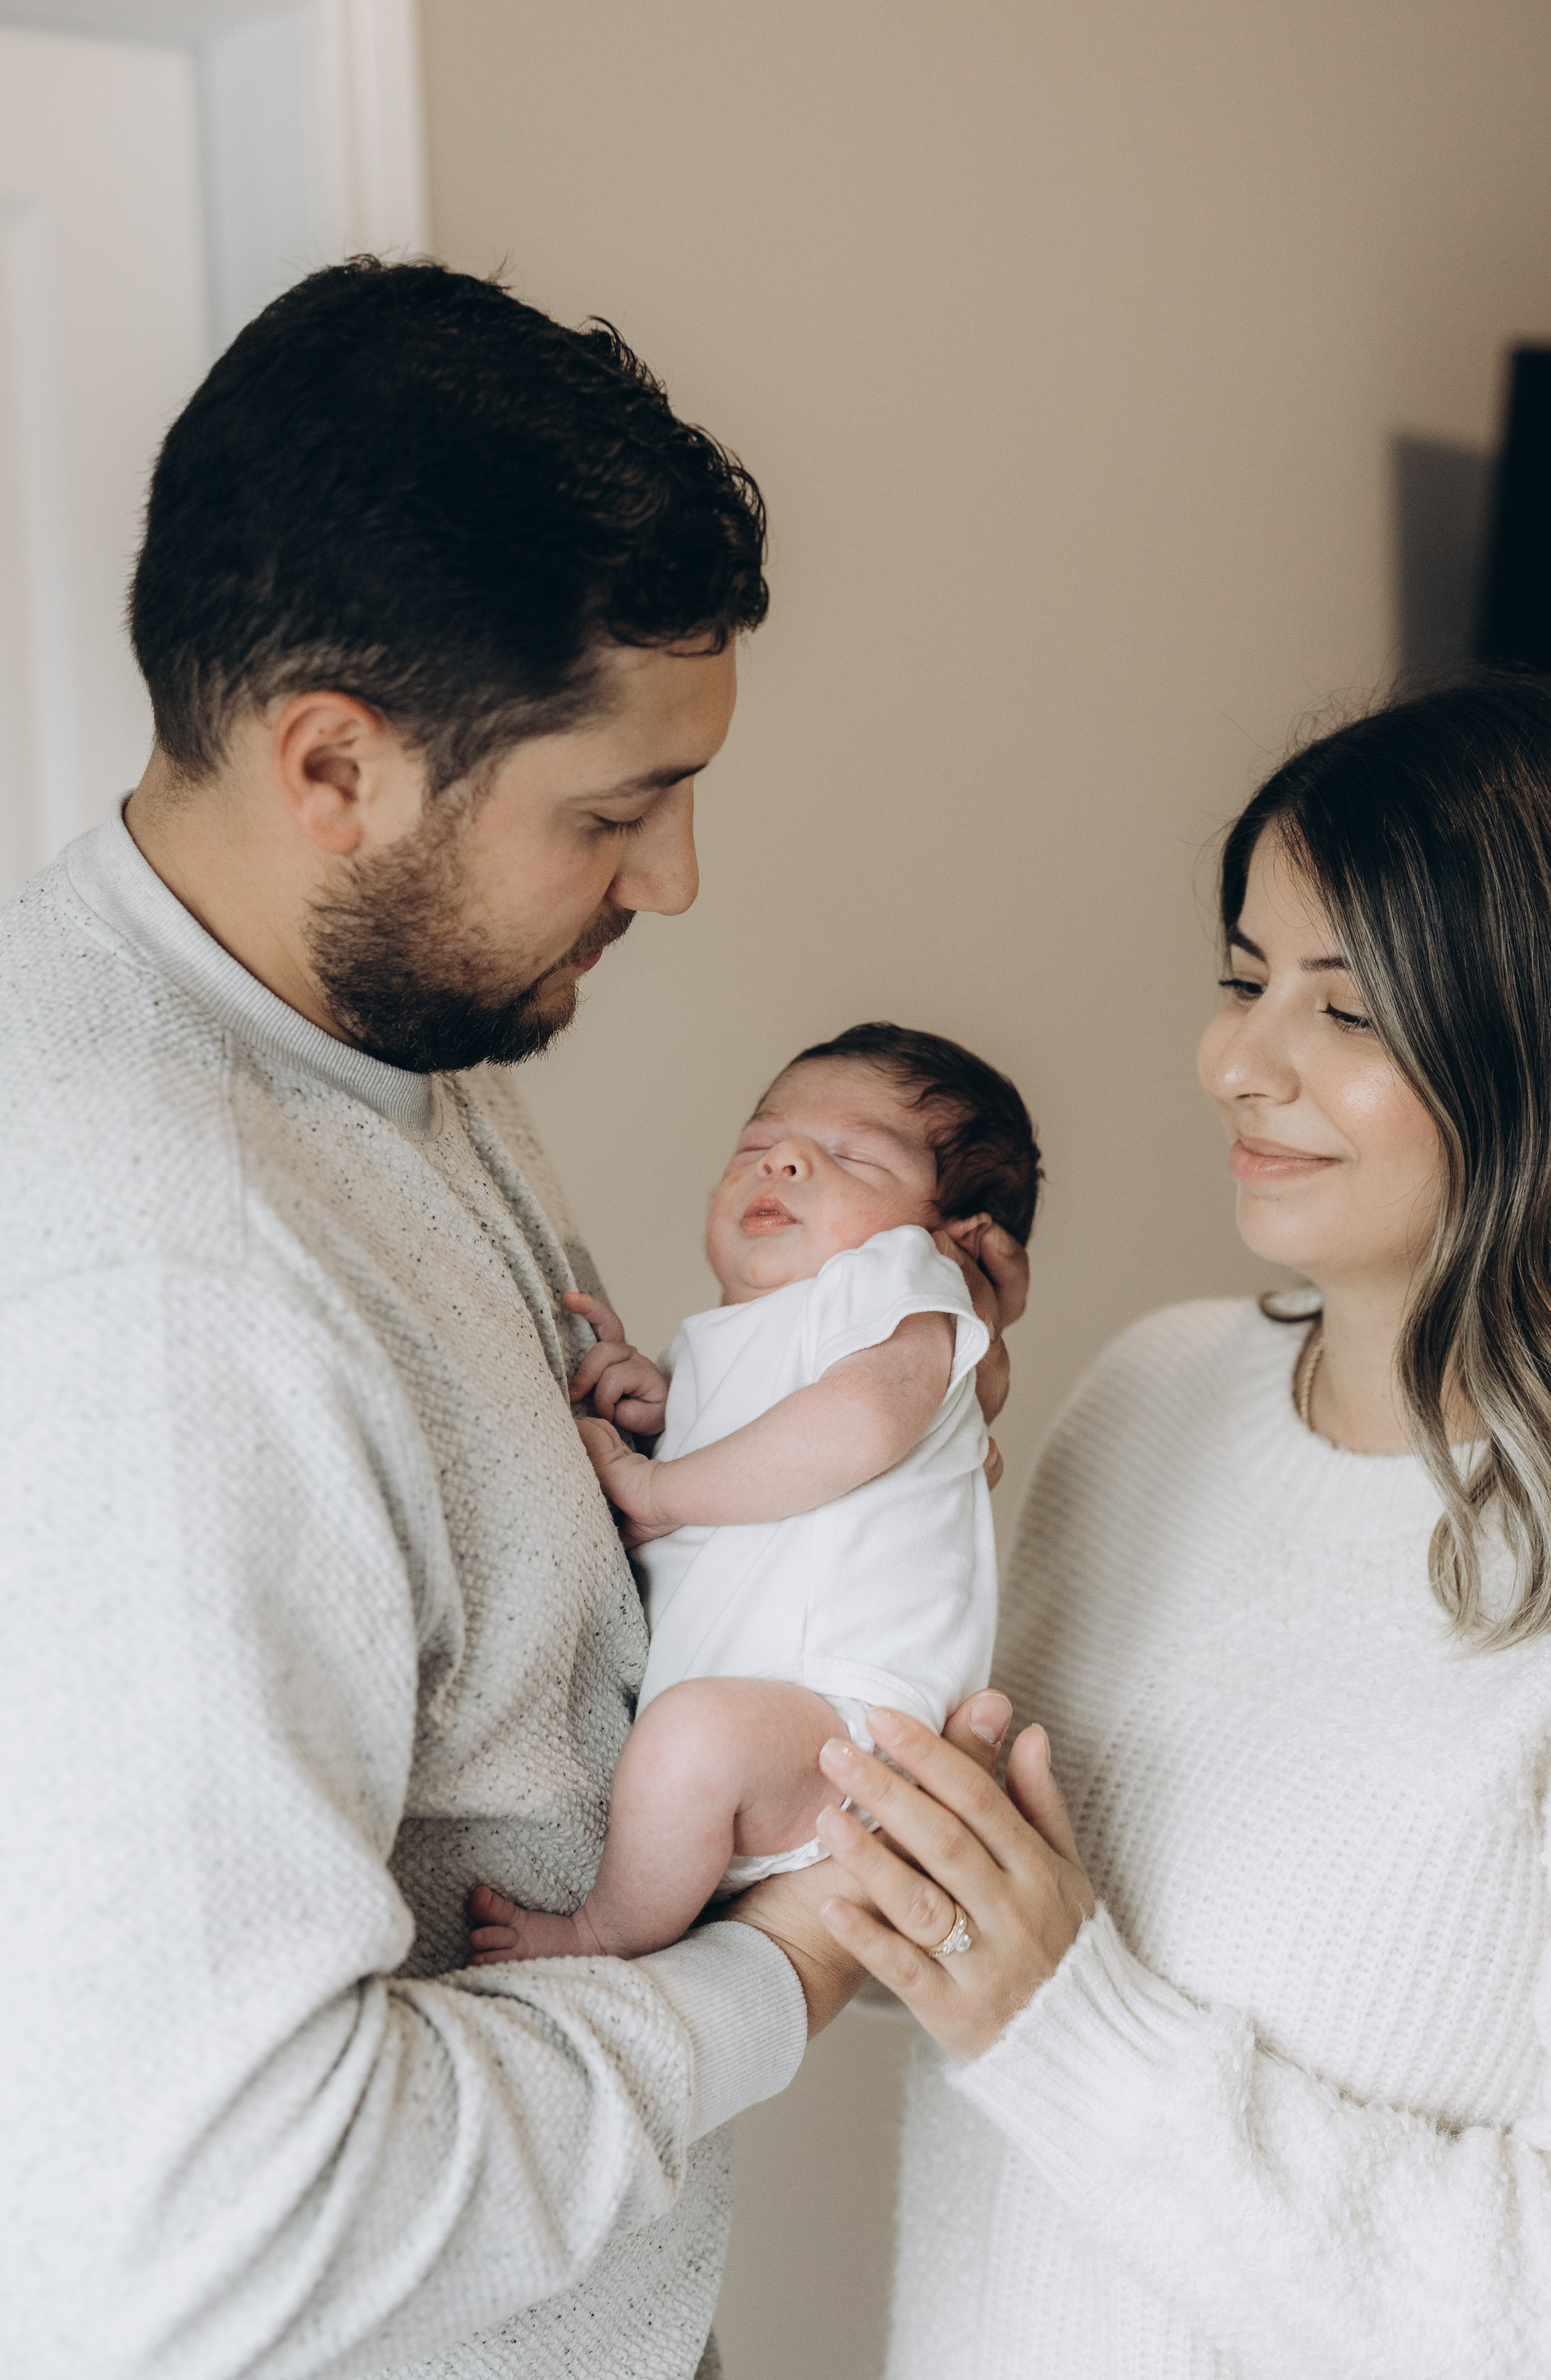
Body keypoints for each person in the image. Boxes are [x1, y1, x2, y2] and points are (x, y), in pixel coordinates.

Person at [0, 258, 1024, 2380]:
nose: (676, 884)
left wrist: (862, 1400)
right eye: (614, 810)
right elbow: (214, 2235)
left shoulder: (381, 1050)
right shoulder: (165, 1281)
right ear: (334, 765)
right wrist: (790, 1969)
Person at [804, 674, 1551, 2379]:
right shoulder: (1150, 1397)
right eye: (1242, 979)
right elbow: (932, 1944)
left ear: (1550, 1039)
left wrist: (1071, 2025)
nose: (1235, 1061)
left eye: (1344, 1009)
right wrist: (828, 1491)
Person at [466, 1022, 1040, 1961]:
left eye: (852, 1154)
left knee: (691, 1739)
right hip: (767, 1731)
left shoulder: (900, 1283)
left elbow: (851, 1426)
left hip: (845, 1724)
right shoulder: (726, 1341)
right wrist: (661, 1402)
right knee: (687, 1741)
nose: (784, 1159)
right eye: (757, 1144)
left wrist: (656, 1486)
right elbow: (762, 1449)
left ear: (950, 1238)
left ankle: (602, 1933)